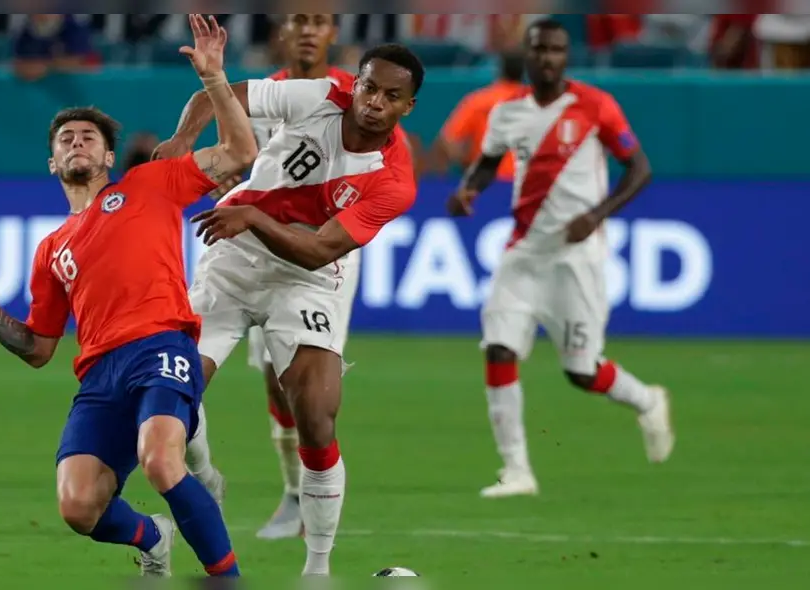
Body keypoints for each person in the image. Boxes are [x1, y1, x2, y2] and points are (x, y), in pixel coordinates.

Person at [0, 15, 256, 577]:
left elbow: (240, 150)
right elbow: (38, 348)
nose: (78, 142)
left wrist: (215, 79)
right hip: (100, 375)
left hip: (160, 346)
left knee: (160, 460)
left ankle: (226, 580)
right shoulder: (51, 248)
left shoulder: (151, 184)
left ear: (107, 158)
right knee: (78, 506)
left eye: (90, 138)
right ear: (54, 163)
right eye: (66, 139)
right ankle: (153, 536)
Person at [157, 43, 423, 576]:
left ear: (407, 108)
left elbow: (320, 250)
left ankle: (317, 570)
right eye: (369, 87)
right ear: (358, 82)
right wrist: (185, 140)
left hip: (304, 277)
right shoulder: (325, 94)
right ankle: (206, 474)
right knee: (168, 395)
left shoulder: (392, 181)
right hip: (230, 259)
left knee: (317, 417)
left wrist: (253, 217)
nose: (373, 102)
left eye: (391, 96)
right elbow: (223, 95)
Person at [447, 18, 674, 499]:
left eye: (555, 50)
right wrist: (469, 189)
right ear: (527, 56)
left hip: (577, 257)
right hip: (524, 253)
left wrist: (597, 215)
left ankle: (647, 399)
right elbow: (489, 160)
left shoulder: (595, 106)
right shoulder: (508, 113)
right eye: (539, 49)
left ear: (565, 56)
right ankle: (517, 471)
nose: (547, 57)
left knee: (582, 371)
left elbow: (640, 168)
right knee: (499, 349)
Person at [429, 50, 524, 180]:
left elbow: (447, 141)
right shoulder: (535, 103)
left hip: (485, 183)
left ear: (500, 70)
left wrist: (466, 163)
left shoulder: (479, 101)